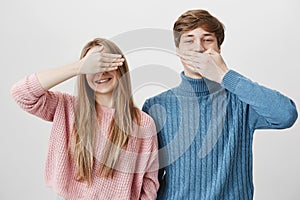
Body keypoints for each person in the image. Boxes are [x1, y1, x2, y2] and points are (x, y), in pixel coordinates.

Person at [142, 9, 298, 200]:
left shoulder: (241, 100)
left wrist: (225, 75)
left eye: (207, 40)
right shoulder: (155, 106)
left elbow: (286, 115)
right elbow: (150, 178)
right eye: (189, 40)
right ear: (178, 50)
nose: (198, 48)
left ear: (219, 49)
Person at [11, 38, 159, 200]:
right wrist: (79, 67)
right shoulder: (67, 107)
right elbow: (21, 94)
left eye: (106, 63)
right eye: (94, 66)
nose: (101, 72)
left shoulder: (142, 123)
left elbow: (149, 183)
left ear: (120, 68)